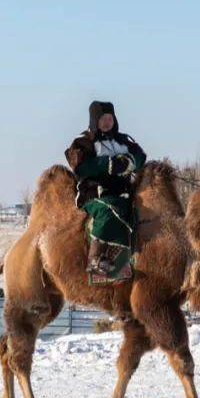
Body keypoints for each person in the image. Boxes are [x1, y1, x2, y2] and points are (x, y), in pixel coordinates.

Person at [64, 101, 147, 275]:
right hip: (94, 195)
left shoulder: (123, 140)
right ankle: (94, 259)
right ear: (95, 120)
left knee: (136, 214)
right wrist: (107, 164)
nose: (107, 122)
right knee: (110, 209)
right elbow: (79, 166)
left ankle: (120, 261)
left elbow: (141, 156)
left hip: (123, 194)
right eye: (103, 118)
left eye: (110, 118)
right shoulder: (83, 141)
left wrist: (129, 162)